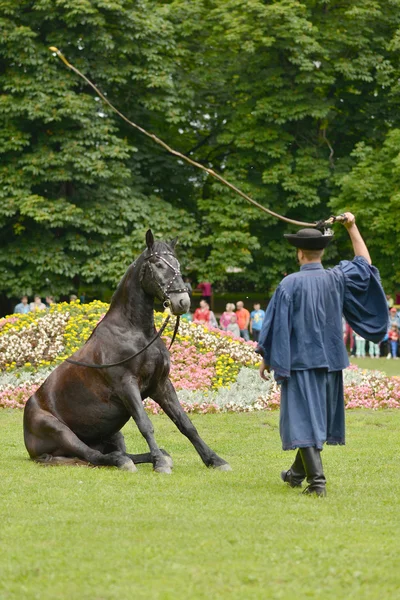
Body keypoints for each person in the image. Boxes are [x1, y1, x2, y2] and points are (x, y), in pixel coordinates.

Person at [257, 213, 387, 497]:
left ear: (299, 253)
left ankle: (317, 484)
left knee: (304, 419)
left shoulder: (288, 284)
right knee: (314, 419)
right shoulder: (337, 278)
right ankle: (295, 474)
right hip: (331, 362)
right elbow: (365, 265)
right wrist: (352, 227)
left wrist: (267, 357)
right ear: (322, 251)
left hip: (301, 362)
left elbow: (275, 325)